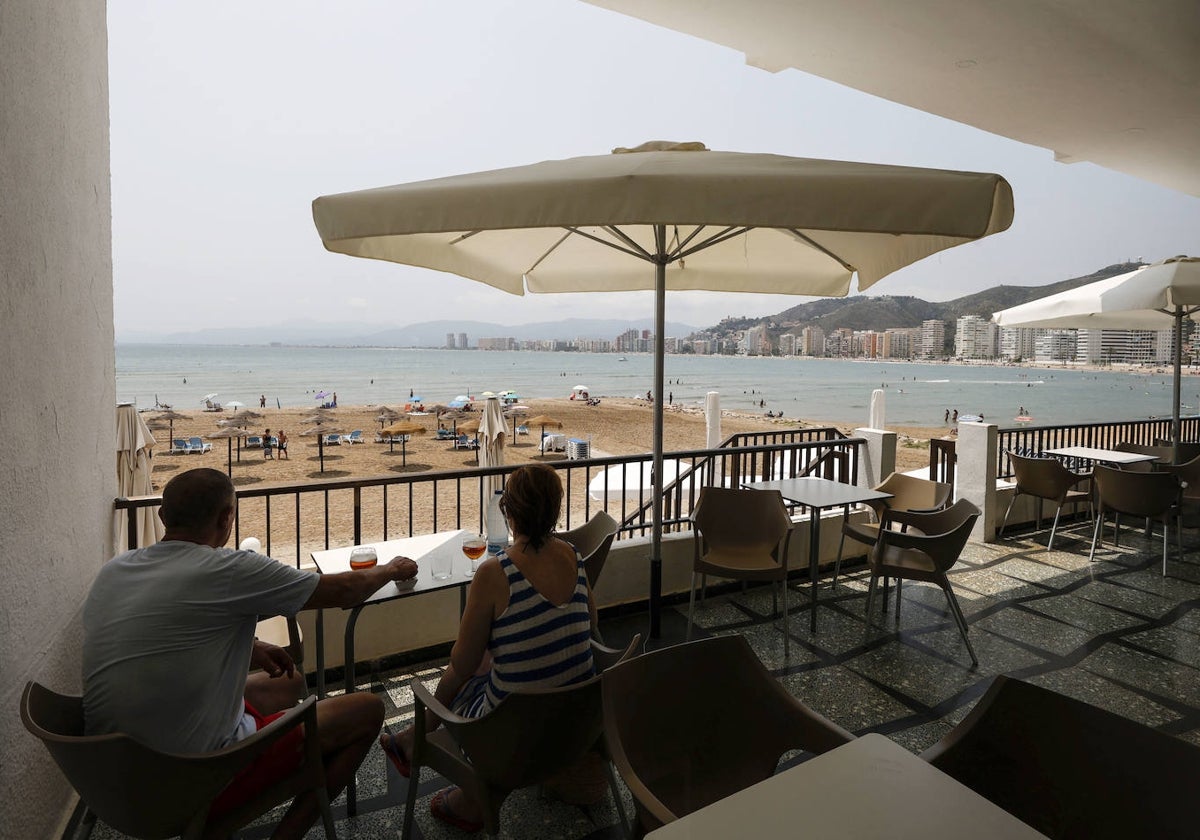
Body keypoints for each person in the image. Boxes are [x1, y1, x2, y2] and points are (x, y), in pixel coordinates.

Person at [82, 468, 418, 840]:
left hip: (114, 784)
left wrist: (253, 648)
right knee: (368, 710)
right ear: (227, 518)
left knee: (290, 682)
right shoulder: (228, 570)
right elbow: (343, 592)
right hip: (194, 783)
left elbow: (168, 634)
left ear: (163, 516)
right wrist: (389, 569)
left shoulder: (114, 571)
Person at [378, 464, 596, 833]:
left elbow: (460, 666)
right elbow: (591, 627)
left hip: (510, 741)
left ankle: (449, 768)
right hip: (575, 728)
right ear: (555, 511)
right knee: (483, 666)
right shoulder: (574, 555)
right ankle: (415, 740)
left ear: (508, 512)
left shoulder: (496, 573)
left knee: (464, 675)